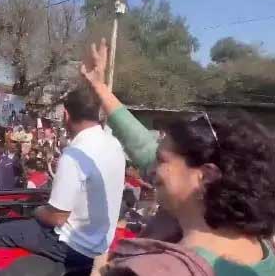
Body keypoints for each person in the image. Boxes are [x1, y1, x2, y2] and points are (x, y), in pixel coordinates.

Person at [82, 39, 275, 276]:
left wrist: (99, 268)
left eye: (161, 161)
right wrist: (100, 88)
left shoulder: (155, 270)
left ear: (205, 176)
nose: (151, 170)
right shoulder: (262, 249)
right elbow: (143, 145)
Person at [0, 87, 125, 269]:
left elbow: (57, 218)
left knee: (1, 233)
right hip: (100, 244)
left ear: (66, 115)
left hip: (72, 246)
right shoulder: (114, 144)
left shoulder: (75, 153)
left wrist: (37, 210)